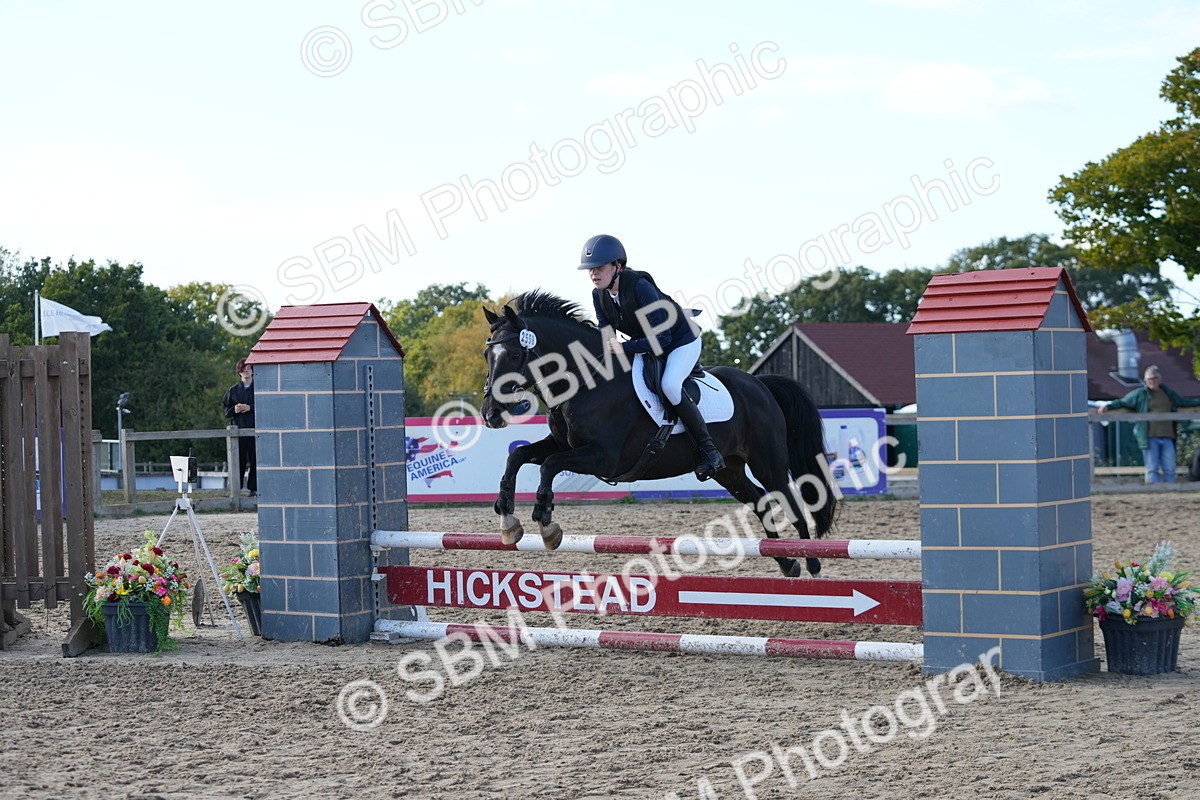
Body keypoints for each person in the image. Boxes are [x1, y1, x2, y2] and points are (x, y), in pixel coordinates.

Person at [577, 233, 725, 481]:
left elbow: (663, 339)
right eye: (590, 269)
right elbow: (606, 330)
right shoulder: (598, 294)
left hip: (680, 342)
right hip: (647, 345)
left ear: (618, 266)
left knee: (669, 384)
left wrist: (623, 349)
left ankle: (709, 450)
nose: (594, 274)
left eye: (599, 267)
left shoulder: (639, 287)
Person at [1098, 364, 1200, 484]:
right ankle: (1154, 493)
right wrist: (1108, 406)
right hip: (1150, 437)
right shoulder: (1141, 394)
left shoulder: (1167, 393)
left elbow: (1184, 402)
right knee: (1152, 468)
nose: (1151, 381)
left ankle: (1171, 491)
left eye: (1154, 378)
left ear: (1159, 379)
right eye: (1148, 379)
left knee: (1170, 467)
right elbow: (1123, 402)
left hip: (1167, 436)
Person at [222, 358, 257, 497]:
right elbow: (226, 411)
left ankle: (253, 489)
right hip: (238, 430)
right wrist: (235, 410)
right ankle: (235, 490)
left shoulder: (259, 388)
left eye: (249, 368)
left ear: (253, 371)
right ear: (239, 372)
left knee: (255, 460)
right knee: (238, 460)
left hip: (255, 430)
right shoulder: (233, 390)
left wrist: (250, 407)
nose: (246, 371)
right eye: (243, 368)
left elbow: (266, 406)